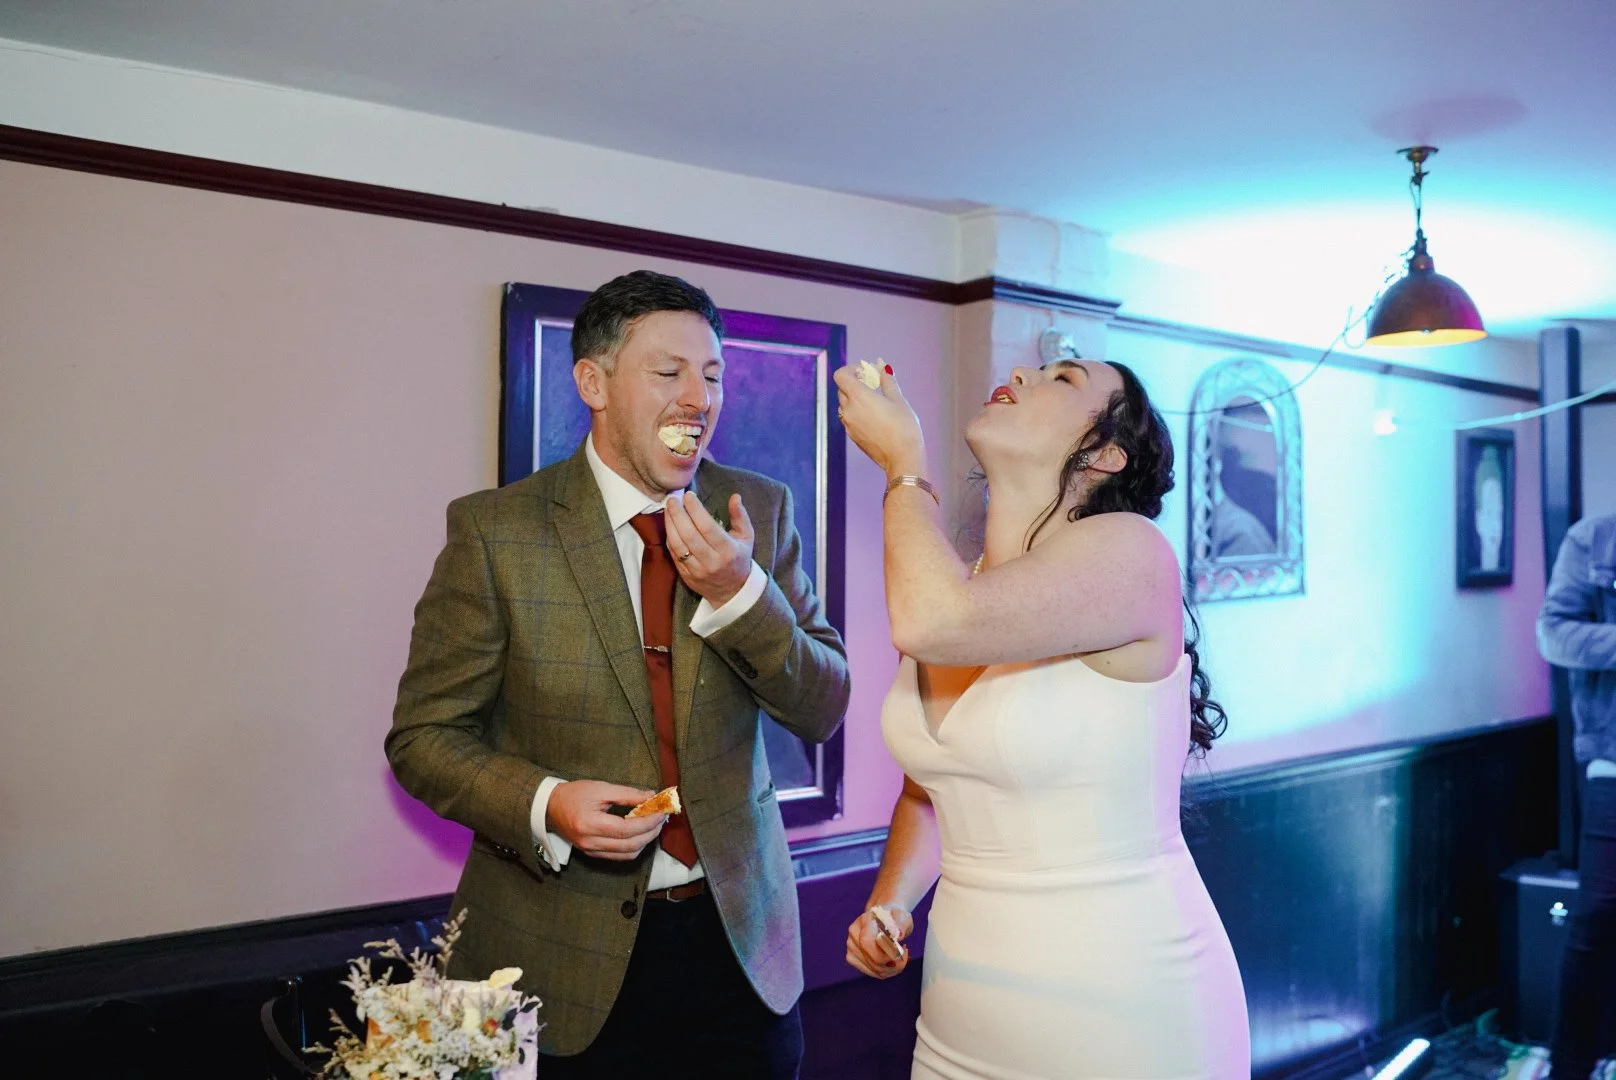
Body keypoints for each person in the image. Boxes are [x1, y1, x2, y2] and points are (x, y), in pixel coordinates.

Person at [387, 270, 851, 1077]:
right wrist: (546, 804)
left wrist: (743, 594)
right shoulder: (495, 532)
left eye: (711, 375)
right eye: (668, 373)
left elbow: (822, 706)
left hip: (741, 952)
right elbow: (422, 740)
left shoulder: (759, 511)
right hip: (543, 956)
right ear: (593, 383)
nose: (696, 399)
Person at [835, 357, 1250, 1079]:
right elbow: (932, 791)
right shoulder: (967, 588)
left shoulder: (1131, 552)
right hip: (960, 1017)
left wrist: (905, 468)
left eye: (1062, 379)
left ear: (1106, 452)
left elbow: (931, 623)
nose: (1023, 374)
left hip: (1123, 1010)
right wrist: (891, 904)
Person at [1538, 512, 1616, 1079]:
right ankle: (1570, 1067)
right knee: (1595, 917)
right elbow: (1553, 632)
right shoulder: (1594, 538)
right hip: (1612, 757)